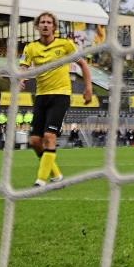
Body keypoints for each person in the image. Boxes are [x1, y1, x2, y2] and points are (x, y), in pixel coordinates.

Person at [20, 12, 93, 186]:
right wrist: (21, 78)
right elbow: (23, 66)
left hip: (61, 95)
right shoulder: (30, 48)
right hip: (41, 96)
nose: (45, 25)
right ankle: (56, 175)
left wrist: (88, 87)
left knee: (49, 136)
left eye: (49, 22)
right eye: (42, 22)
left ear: (54, 26)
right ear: (37, 26)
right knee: (35, 142)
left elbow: (83, 64)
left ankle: (41, 180)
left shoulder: (65, 45)